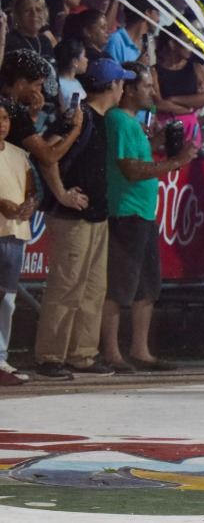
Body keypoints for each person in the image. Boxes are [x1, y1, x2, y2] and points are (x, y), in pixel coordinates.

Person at [33, 57, 129, 379]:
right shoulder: (79, 116)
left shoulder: (97, 118)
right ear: (111, 85)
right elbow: (46, 153)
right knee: (66, 287)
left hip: (95, 215)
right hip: (72, 216)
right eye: (121, 82)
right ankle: (50, 356)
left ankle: (82, 354)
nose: (124, 88)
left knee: (92, 289)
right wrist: (61, 193)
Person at [100, 63, 198, 373]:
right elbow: (129, 168)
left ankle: (139, 350)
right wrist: (175, 162)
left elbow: (137, 159)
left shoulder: (131, 123)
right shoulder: (118, 120)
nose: (153, 92)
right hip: (125, 211)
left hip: (141, 212)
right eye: (146, 86)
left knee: (147, 286)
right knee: (119, 287)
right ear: (129, 89)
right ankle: (112, 352)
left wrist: (158, 143)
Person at [0, 96, 37, 386]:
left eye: (4, 118)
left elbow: (31, 189)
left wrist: (29, 205)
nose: (1, 124)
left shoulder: (17, 153)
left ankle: (1, 358)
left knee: (7, 300)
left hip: (14, 233)